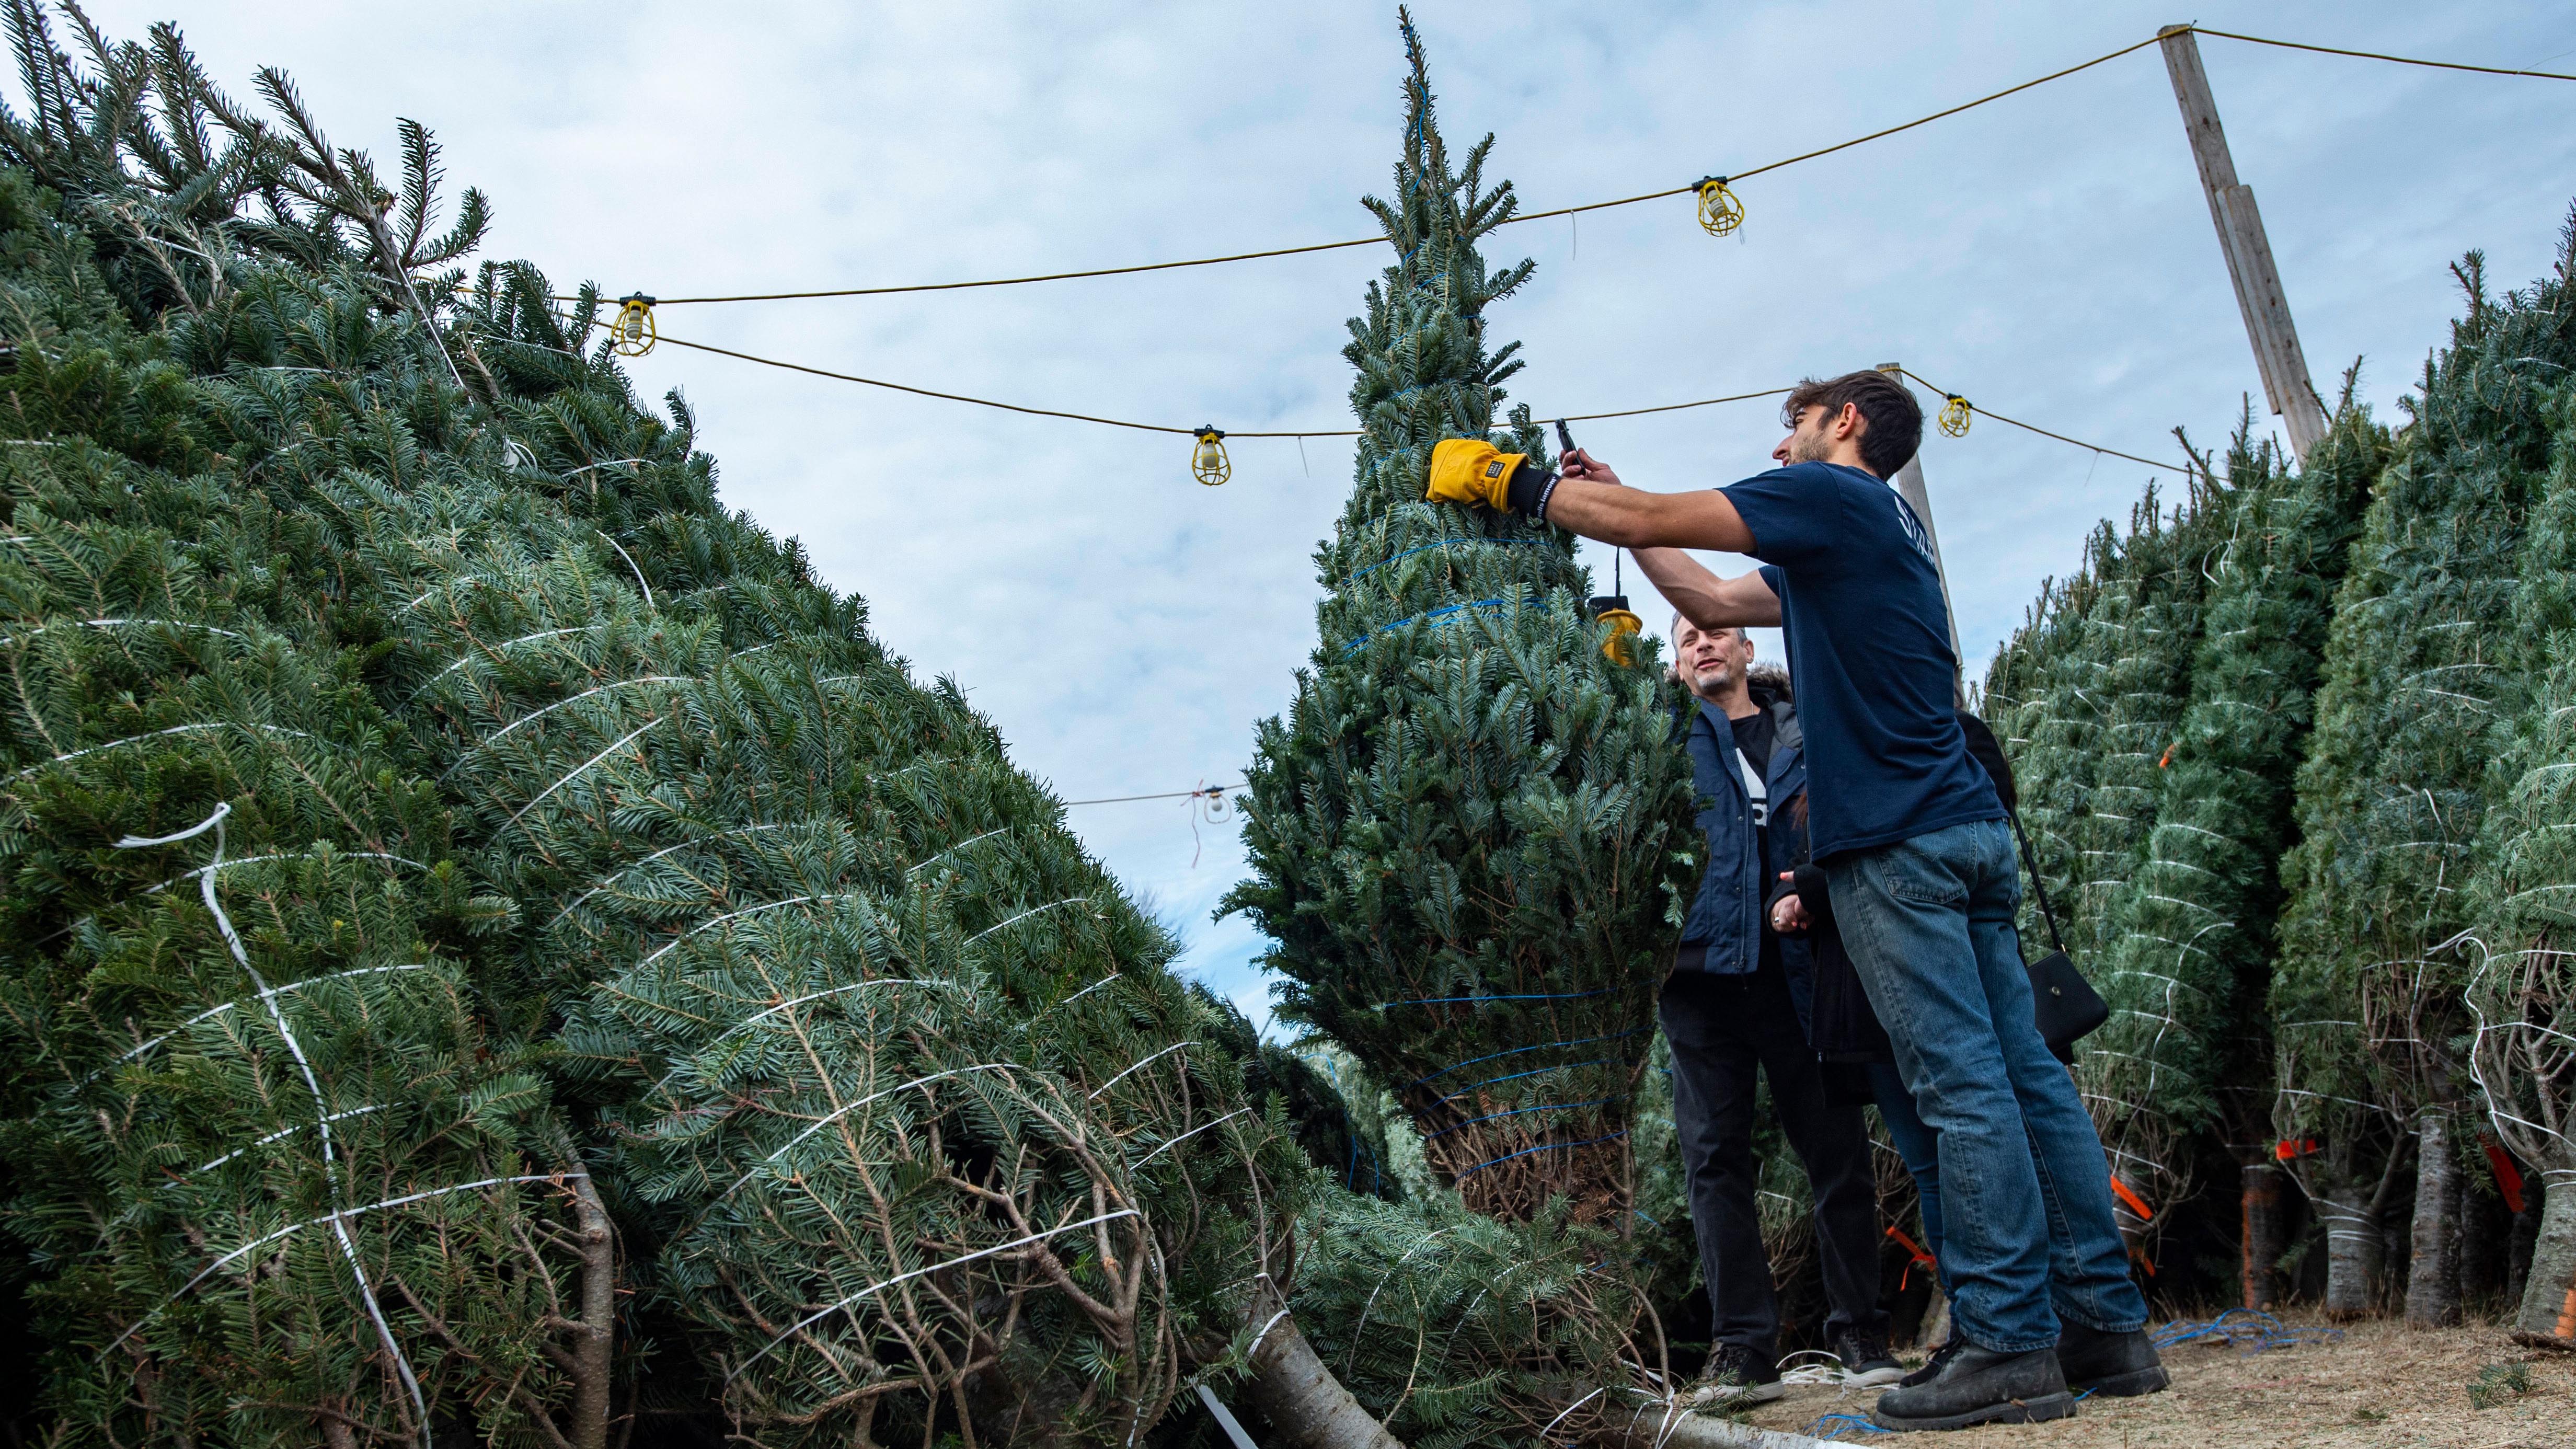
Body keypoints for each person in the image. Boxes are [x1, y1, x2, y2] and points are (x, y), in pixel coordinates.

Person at [1423, 372, 2165, 1432]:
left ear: (1847, 423)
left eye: (1794, 427)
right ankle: (2104, 1327)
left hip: (1898, 840)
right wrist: (1630, 522)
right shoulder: (1887, 532)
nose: (1781, 450)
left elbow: (1644, 517)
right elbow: (1715, 601)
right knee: (2024, 1077)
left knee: (1960, 1086)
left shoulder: (1833, 497)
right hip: (1966, 829)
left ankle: (2006, 1342)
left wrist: (1508, 481)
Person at [1659, 615, 1901, 1404]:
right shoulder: (1660, 739)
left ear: (1747, 649)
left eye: (1716, 632)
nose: (1703, 644)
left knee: (1835, 1155)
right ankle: (1743, 1352)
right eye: (1687, 636)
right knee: (1714, 1162)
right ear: (1674, 661)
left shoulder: (1805, 729)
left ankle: (1862, 1332)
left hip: (1801, 972)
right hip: (1698, 982)